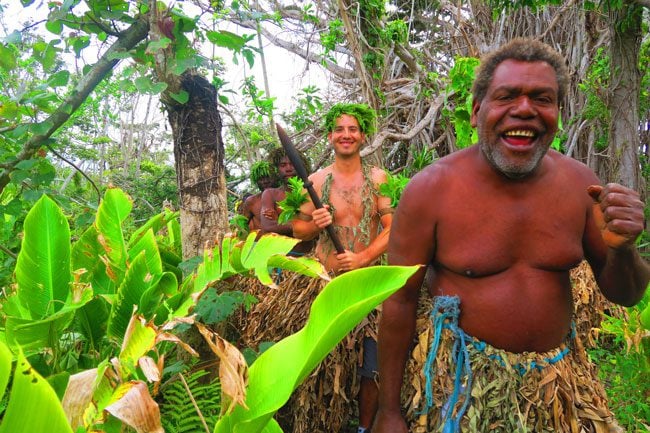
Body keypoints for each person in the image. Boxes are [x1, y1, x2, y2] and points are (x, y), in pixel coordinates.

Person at [373, 37, 650, 433]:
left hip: (556, 388)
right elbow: (399, 303)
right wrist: (389, 412)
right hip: (462, 389)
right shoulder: (431, 191)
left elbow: (626, 294)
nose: (524, 110)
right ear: (476, 111)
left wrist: (624, 250)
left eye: (542, 98)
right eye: (506, 97)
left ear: (557, 112)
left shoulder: (580, 185)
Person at [293, 103, 394, 433]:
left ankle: (364, 427)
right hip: (325, 282)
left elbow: (394, 229)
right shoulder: (316, 180)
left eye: (352, 129)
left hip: (367, 284)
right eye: (339, 129)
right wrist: (317, 224)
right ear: (330, 136)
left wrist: (363, 259)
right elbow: (298, 229)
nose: (346, 135)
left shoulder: (378, 179)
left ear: (362, 136)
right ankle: (324, 424)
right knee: (324, 362)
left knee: (372, 362)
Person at [260, 147, 314, 256]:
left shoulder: (312, 191)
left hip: (311, 255)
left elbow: (323, 226)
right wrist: (306, 225)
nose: (288, 169)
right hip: (281, 257)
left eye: (292, 164)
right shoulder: (271, 194)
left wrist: (280, 220)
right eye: (283, 165)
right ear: (276, 169)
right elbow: (268, 226)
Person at [239, 160, 276, 232]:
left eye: (268, 177)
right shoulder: (252, 201)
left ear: (275, 177)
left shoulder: (284, 195)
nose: (265, 181)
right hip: (262, 241)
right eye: (261, 179)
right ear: (256, 182)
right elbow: (241, 226)